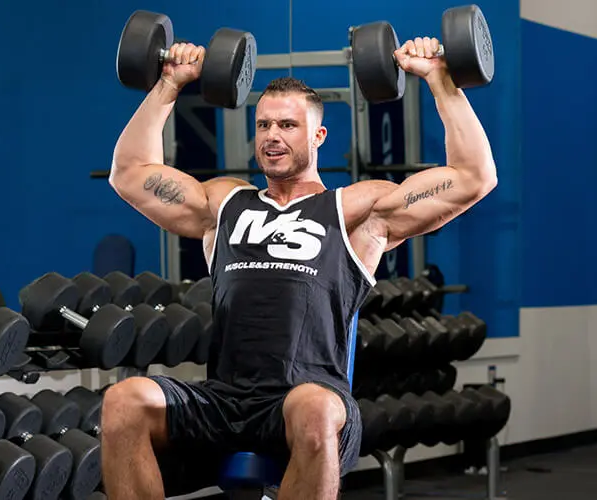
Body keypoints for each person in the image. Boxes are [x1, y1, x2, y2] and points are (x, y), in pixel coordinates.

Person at [103, 35, 497, 500]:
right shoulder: (225, 203)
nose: (272, 135)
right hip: (224, 401)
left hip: (311, 402)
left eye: (288, 125)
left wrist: (439, 78)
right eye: (264, 124)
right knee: (124, 400)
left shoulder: (355, 212)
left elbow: (474, 177)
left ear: (318, 136)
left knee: (313, 407)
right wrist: (169, 83)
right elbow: (129, 173)